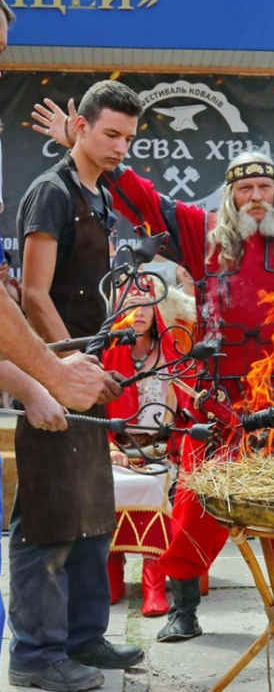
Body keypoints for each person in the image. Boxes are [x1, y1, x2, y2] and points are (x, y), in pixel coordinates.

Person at [32, 90, 274, 640]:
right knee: (195, 507)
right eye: (245, 189)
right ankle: (183, 606)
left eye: (265, 188)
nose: (256, 197)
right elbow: (142, 195)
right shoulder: (200, 236)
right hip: (219, 405)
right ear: (232, 198)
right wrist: (81, 145)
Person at [9, 80, 145, 692]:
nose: (120, 147)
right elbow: (34, 296)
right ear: (81, 127)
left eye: (129, 138)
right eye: (110, 134)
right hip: (52, 375)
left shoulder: (103, 195)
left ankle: (85, 636)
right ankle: (37, 655)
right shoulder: (51, 193)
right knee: (48, 516)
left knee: (92, 509)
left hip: (84, 376)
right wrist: (65, 369)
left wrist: (98, 359)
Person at [102, 281, 195, 618]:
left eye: (145, 304)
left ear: (157, 310)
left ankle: (153, 584)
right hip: (117, 454)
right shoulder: (107, 355)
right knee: (107, 487)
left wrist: (178, 446)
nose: (138, 312)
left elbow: (189, 408)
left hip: (162, 454)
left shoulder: (173, 354)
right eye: (130, 304)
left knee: (155, 484)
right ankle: (111, 575)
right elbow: (94, 413)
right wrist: (109, 448)